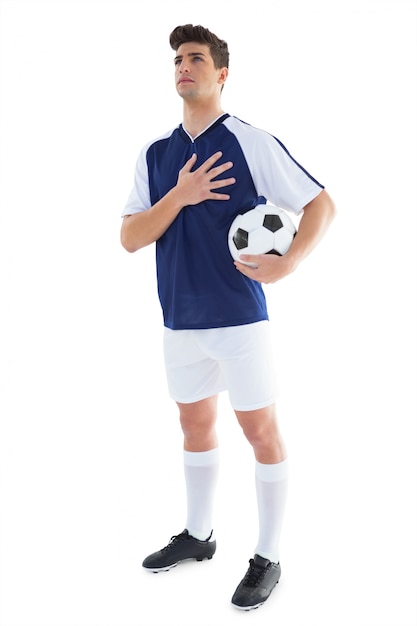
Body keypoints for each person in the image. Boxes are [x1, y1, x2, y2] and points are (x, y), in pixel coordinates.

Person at [120, 24, 336, 611]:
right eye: (177, 60)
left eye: (195, 58)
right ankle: (198, 534)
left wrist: (288, 264)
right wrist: (180, 195)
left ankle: (267, 555)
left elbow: (320, 203)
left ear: (221, 74)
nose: (183, 66)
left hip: (240, 320)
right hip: (179, 320)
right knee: (194, 429)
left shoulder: (248, 140)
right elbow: (130, 237)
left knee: (260, 433)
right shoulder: (156, 153)